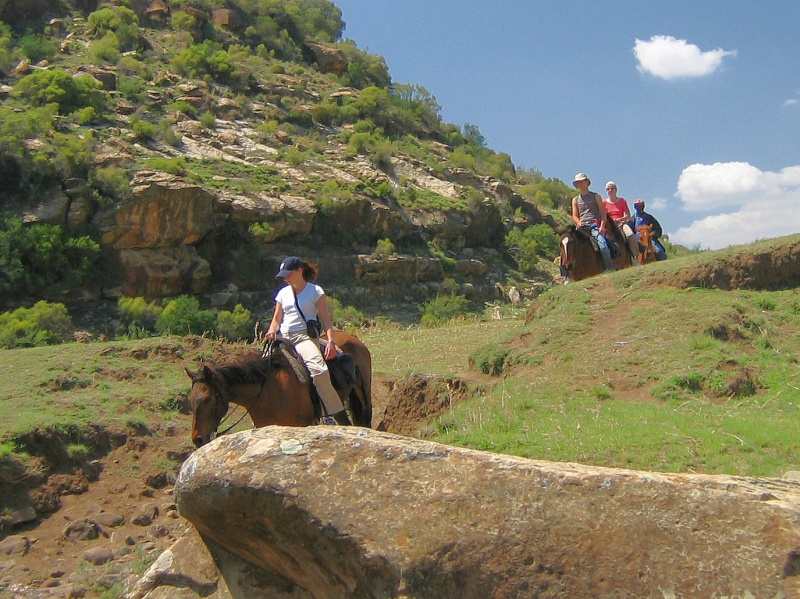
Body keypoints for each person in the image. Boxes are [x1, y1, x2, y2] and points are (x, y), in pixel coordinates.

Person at [266, 256, 352, 425]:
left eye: (288, 274)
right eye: (283, 276)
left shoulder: (315, 291)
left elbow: (326, 320)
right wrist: (271, 330)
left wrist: (331, 341)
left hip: (303, 338)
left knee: (319, 371)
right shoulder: (283, 293)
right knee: (262, 370)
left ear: (299, 271)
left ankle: (330, 413)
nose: (285, 278)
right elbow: (276, 318)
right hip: (283, 337)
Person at [571, 172, 615, 271]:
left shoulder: (596, 196)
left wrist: (602, 226)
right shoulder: (575, 200)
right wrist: (578, 222)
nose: (580, 184)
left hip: (594, 226)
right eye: (578, 182)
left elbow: (603, 213)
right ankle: (567, 274)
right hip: (582, 227)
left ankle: (609, 268)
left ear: (587, 182)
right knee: (568, 245)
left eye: (582, 181)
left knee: (603, 245)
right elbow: (574, 215)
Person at [603, 181, 639, 262]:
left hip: (621, 224)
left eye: (612, 188)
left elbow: (627, 215)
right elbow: (603, 216)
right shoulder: (604, 203)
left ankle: (635, 256)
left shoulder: (622, 201)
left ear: (616, 190)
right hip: (609, 225)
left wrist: (619, 220)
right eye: (608, 189)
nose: (610, 190)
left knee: (630, 234)